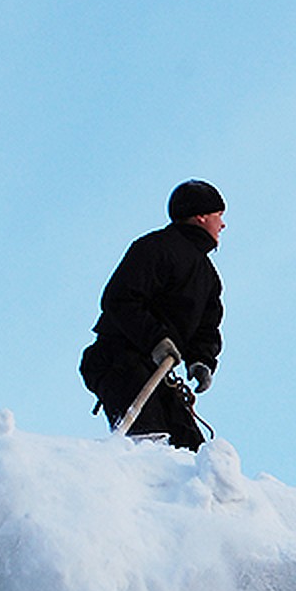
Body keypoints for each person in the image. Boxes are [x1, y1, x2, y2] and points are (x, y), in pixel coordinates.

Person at [79, 180, 226, 450]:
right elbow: (121, 299)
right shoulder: (155, 248)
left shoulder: (209, 277)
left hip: (159, 373)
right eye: (219, 216)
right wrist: (156, 340)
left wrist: (201, 360)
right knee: (148, 444)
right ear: (201, 216)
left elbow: (207, 327)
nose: (223, 225)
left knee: (191, 454)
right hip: (120, 358)